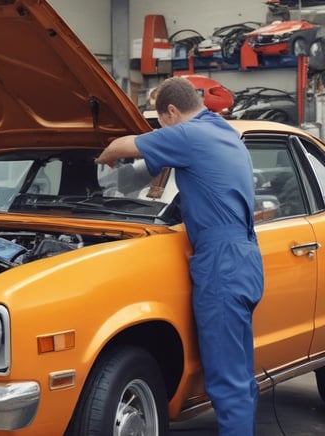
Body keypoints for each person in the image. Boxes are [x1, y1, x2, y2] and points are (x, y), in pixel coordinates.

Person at [96, 76, 264, 436]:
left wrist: (102, 157)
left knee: (226, 380)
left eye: (160, 123)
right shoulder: (220, 130)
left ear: (171, 111)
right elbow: (149, 176)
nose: (161, 129)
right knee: (239, 375)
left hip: (221, 263)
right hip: (243, 259)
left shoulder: (188, 135)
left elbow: (119, 146)